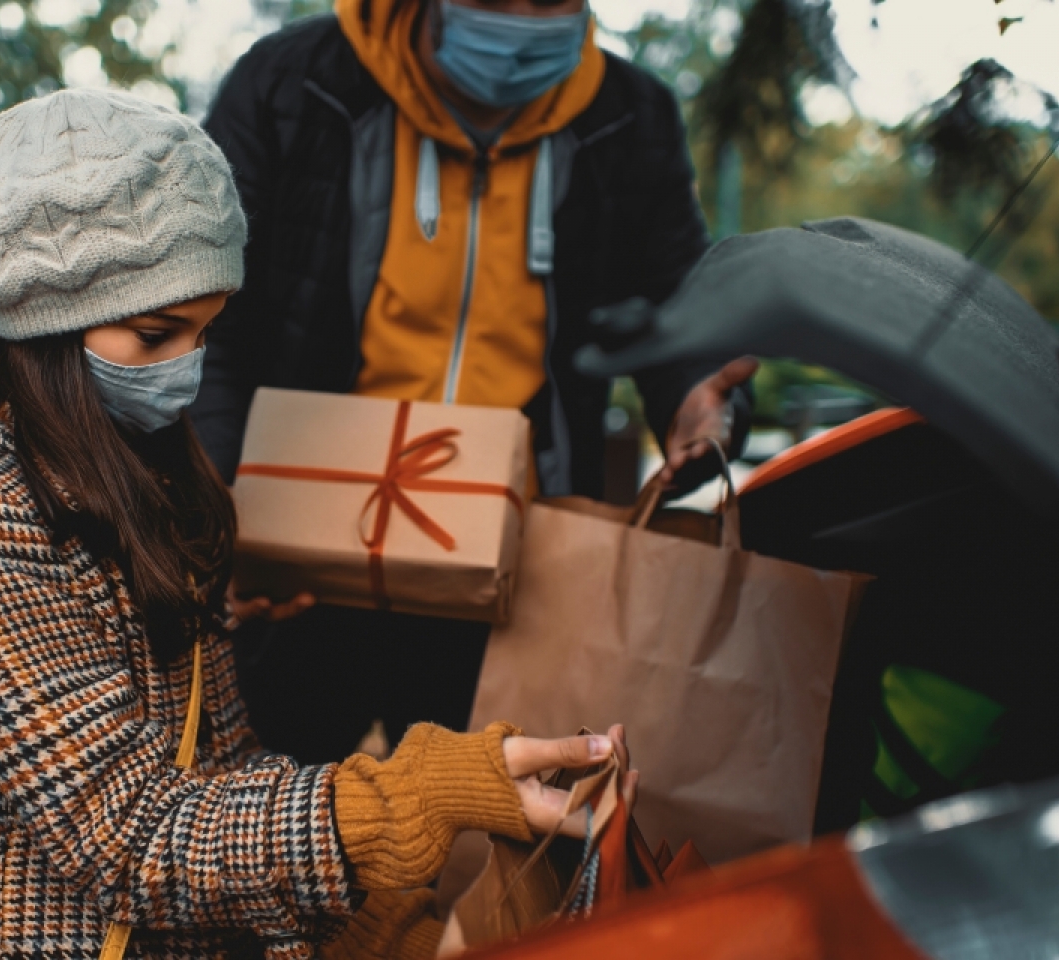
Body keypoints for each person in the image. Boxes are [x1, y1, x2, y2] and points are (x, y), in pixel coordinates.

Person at [0, 87, 637, 959]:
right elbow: (131, 836)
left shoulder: (141, 465)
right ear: (48, 320)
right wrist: (409, 799)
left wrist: (374, 931)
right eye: (156, 334)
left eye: (205, 332)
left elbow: (219, 773)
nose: (186, 367)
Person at [195, 0, 757, 764]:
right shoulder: (290, 84)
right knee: (265, 814)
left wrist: (698, 397)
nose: (524, 17)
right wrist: (213, 496)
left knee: (485, 829)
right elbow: (210, 308)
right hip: (299, 545)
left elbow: (674, 305)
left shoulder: (631, 116)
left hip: (513, 560)